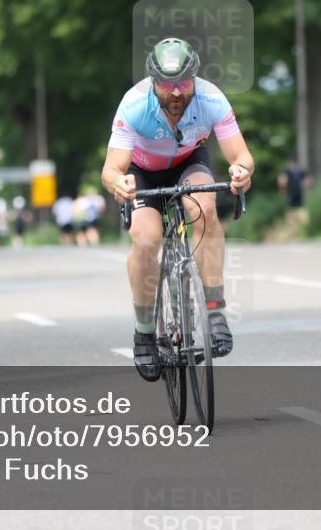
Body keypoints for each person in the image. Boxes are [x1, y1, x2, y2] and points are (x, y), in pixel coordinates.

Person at [101, 37, 254, 382]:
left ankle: (214, 311)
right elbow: (111, 169)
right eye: (166, 85)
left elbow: (241, 156)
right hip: (142, 171)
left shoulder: (211, 98)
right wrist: (119, 183)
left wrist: (241, 171)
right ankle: (144, 331)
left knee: (204, 207)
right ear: (153, 81)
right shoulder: (134, 104)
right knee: (145, 238)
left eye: (183, 84)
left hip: (188, 163)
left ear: (194, 79)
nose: (175, 93)